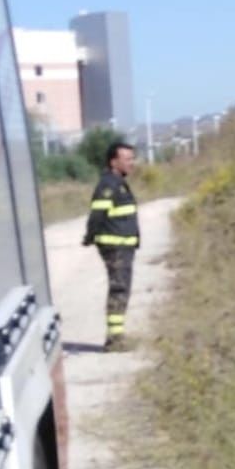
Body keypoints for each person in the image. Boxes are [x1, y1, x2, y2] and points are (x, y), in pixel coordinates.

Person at [82, 141, 140, 352]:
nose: (132, 163)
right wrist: (90, 236)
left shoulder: (118, 183)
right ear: (113, 162)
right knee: (119, 289)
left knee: (122, 288)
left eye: (132, 159)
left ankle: (117, 335)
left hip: (124, 247)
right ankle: (114, 340)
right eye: (127, 159)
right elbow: (97, 214)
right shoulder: (108, 184)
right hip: (115, 247)